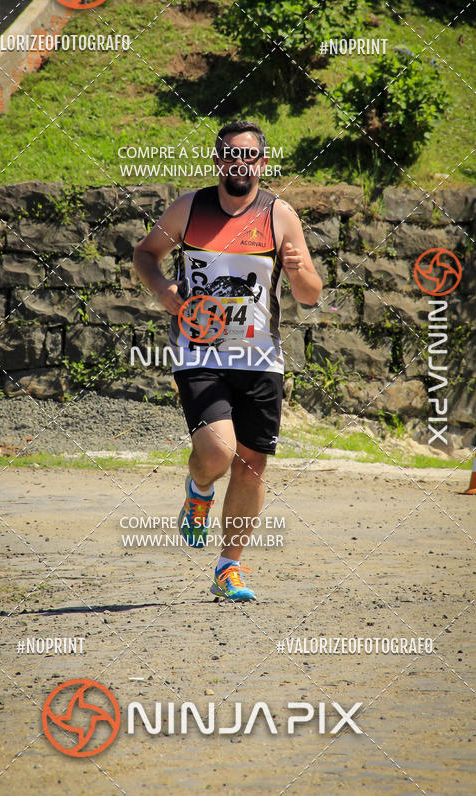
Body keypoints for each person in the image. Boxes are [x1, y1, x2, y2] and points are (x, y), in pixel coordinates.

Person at [133, 120, 322, 601]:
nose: (241, 164)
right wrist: (163, 290)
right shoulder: (190, 208)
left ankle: (228, 567)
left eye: (251, 156)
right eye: (232, 156)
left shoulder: (280, 215)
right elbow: (146, 254)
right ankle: (199, 489)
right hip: (201, 351)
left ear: (262, 162)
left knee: (252, 463)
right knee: (218, 452)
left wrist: (300, 273)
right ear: (218, 161)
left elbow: (311, 296)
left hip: (261, 358)